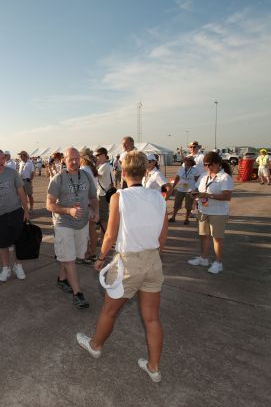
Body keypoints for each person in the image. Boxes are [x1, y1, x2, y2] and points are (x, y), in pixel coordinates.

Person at [76, 151, 168, 382]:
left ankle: (96, 345)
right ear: (145, 171)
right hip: (153, 261)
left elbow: (110, 235)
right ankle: (154, 367)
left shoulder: (119, 197)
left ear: (123, 172)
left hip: (128, 262)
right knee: (152, 318)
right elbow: (163, 236)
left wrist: (100, 258)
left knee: (109, 311)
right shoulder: (158, 197)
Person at [47, 148, 98, 309]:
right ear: (64, 159)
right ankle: (78, 294)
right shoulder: (58, 179)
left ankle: (62, 279)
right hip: (63, 223)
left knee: (74, 255)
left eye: (77, 158)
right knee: (70, 260)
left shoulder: (86, 176)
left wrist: (95, 211)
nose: (75, 162)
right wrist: (68, 210)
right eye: (71, 159)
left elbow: (92, 197)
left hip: (81, 224)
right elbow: (50, 204)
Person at [0, 149, 30, 282]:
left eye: (3, 158)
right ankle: (5, 268)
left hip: (15, 212)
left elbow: (21, 192)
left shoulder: (12, 173)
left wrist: (26, 210)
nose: (1, 161)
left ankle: (18, 266)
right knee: (2, 244)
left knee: (19, 242)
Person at [188, 151, 233, 274]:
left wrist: (207, 195)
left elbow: (227, 197)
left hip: (218, 212)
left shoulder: (225, 178)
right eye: (205, 165)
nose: (207, 167)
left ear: (218, 164)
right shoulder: (204, 175)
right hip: (203, 210)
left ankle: (218, 263)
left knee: (217, 238)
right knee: (203, 235)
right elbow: (197, 188)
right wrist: (194, 193)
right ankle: (204, 258)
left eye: (209, 165)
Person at [79, 151, 99, 263]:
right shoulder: (92, 170)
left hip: (85, 203)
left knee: (84, 231)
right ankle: (93, 253)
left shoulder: (83, 170)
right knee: (92, 229)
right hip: (93, 201)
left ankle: (86, 254)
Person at [169, 156, 197, 224]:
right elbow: (177, 178)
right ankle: (173, 217)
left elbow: (197, 180)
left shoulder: (195, 170)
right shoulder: (181, 168)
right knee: (176, 204)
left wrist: (196, 189)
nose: (187, 161)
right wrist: (173, 187)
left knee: (188, 205)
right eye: (186, 160)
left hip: (190, 189)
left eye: (189, 160)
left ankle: (186, 219)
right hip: (180, 189)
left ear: (192, 162)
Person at [94, 147, 114, 234]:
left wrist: (94, 165)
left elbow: (95, 175)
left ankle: (104, 237)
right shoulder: (108, 165)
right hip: (105, 193)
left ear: (103, 155)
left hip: (102, 194)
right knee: (103, 216)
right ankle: (103, 236)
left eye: (98, 155)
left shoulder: (105, 166)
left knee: (103, 218)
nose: (96, 157)